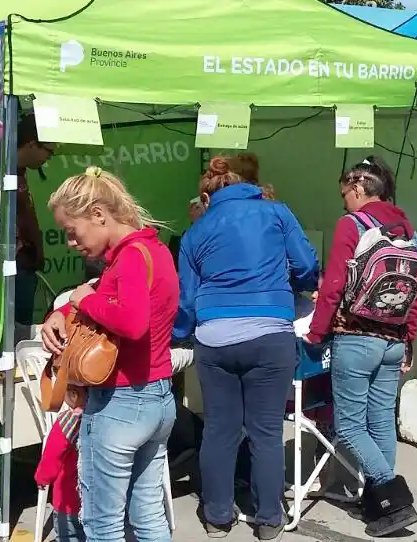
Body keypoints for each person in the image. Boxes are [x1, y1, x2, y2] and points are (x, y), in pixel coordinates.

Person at [172, 156, 318, 540]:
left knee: (220, 429)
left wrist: (180, 333)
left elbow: (185, 302)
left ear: (208, 194)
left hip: (214, 339)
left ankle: (218, 516)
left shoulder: (195, 233)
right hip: (270, 335)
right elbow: (306, 266)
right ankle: (269, 519)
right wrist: (294, 283)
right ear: (252, 183)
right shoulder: (277, 213)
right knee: (266, 431)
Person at [41, 166, 178, 542]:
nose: (71, 242)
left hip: (121, 402)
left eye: (73, 231)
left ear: (98, 214)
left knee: (102, 524)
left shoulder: (130, 257)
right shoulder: (153, 251)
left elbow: (131, 322)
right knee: (149, 513)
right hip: (158, 397)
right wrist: (63, 311)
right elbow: (110, 294)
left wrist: (83, 299)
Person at [305, 156, 417, 537]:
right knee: (379, 422)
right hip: (392, 340)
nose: (344, 202)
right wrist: (409, 341)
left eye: (345, 194)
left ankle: (394, 497)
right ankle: (378, 504)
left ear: (358, 189)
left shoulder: (351, 225)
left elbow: (335, 285)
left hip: (355, 338)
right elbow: (415, 297)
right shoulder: (408, 231)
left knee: (351, 426)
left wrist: (316, 332)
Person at [15, 114, 55, 325]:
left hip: (25, 267)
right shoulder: (1, 170)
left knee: (21, 331)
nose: (49, 157)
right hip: (14, 269)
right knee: (14, 333)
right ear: (32, 144)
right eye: (49, 151)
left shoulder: (20, 173)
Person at [35, 386, 87, 542]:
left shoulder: (67, 421)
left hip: (68, 500)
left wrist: (42, 477)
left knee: (69, 536)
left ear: (72, 394)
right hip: (98, 501)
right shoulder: (104, 419)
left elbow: (52, 454)